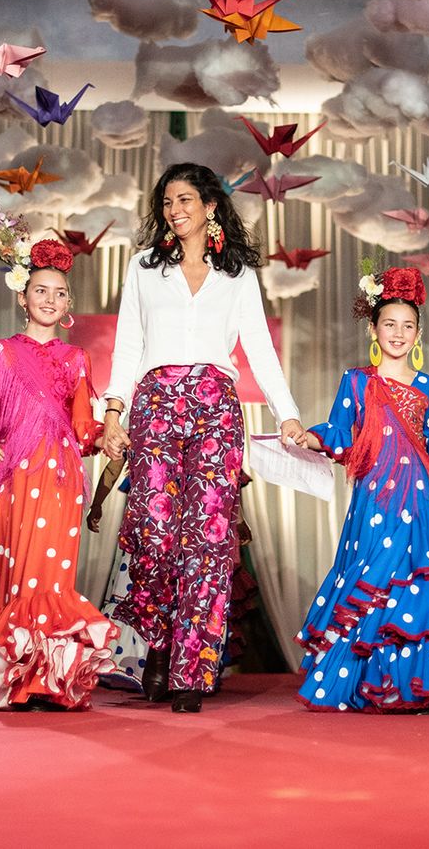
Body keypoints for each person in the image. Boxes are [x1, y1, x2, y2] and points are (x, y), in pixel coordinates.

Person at [99, 163, 306, 714]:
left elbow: (260, 349)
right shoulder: (144, 268)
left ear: (210, 206)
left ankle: (191, 670)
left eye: (185, 199)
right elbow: (126, 346)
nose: (175, 210)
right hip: (156, 405)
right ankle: (159, 648)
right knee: (153, 531)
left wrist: (288, 414)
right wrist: (113, 412)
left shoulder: (237, 274)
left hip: (216, 406)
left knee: (210, 542)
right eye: (167, 202)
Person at [0, 221, 116, 710]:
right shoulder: (0, 351)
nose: (50, 299)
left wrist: (113, 434)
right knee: (17, 580)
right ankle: (17, 679)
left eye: (60, 292)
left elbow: (83, 428)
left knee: (53, 580)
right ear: (23, 296)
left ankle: (47, 681)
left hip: (62, 481)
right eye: (41, 290)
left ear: (68, 304)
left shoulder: (77, 358)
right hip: (15, 478)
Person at [294, 266, 429, 711]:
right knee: (374, 577)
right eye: (389, 324)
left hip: (423, 500)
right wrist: (310, 436)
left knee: (420, 584)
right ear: (374, 329)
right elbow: (341, 431)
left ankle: (413, 686)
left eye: (407, 326)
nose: (398, 333)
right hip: (376, 497)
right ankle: (363, 684)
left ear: (418, 334)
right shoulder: (357, 381)